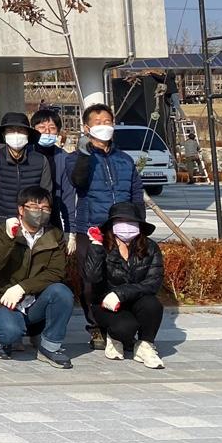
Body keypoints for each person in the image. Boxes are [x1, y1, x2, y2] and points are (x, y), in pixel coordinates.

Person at [62, 102, 144, 350]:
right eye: (97, 123)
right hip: (91, 228)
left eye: (107, 122)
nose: (104, 126)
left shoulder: (125, 160)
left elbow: (136, 193)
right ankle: (96, 326)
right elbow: (78, 181)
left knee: (125, 278)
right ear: (86, 128)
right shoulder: (76, 158)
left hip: (124, 229)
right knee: (91, 281)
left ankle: (122, 326)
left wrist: (139, 224)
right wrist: (85, 154)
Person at [0, 186, 74, 369]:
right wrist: (9, 237)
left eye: (45, 208)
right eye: (34, 207)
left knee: (62, 292)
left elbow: (56, 272)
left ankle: (50, 347)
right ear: (21, 209)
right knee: (11, 333)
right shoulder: (1, 231)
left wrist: (22, 288)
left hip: (33, 299)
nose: (40, 212)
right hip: (2, 297)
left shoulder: (54, 235)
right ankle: (5, 337)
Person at [83, 201, 165, 368]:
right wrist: (96, 248)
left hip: (136, 299)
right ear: (112, 225)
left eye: (131, 222)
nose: (126, 226)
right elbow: (92, 277)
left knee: (153, 305)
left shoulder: (150, 247)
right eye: (120, 221)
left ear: (139, 225)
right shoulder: (102, 245)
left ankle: (145, 345)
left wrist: (121, 293)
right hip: (106, 304)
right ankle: (114, 338)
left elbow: (153, 282)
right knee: (125, 328)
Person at [0, 111, 52, 240]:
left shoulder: (40, 160)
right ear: (3, 135)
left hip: (31, 223)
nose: (16, 135)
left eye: (21, 131)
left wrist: (37, 217)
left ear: (28, 135)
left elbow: (46, 193)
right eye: (10, 131)